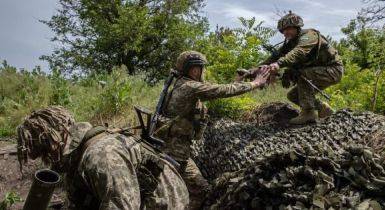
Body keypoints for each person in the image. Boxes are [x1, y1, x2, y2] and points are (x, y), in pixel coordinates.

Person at [154, 50, 270, 209]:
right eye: (201, 68)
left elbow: (216, 89)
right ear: (194, 69)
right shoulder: (190, 87)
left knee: (199, 190)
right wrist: (255, 83)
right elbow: (221, 91)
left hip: (175, 150)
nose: (203, 72)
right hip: (175, 153)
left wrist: (237, 81)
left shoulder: (180, 84)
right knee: (194, 191)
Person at [17, 106, 189, 210]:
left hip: (168, 203)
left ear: (55, 140)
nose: (46, 160)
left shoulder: (101, 156)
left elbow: (123, 206)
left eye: (45, 152)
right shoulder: (76, 156)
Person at [260, 11, 344, 124]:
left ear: (296, 27)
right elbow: (273, 57)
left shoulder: (309, 35)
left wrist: (279, 64)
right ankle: (322, 108)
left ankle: (309, 113)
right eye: (283, 30)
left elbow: (298, 52)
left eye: (288, 29)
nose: (285, 33)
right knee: (293, 95)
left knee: (302, 73)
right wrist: (255, 70)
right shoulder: (290, 43)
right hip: (318, 71)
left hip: (333, 70)